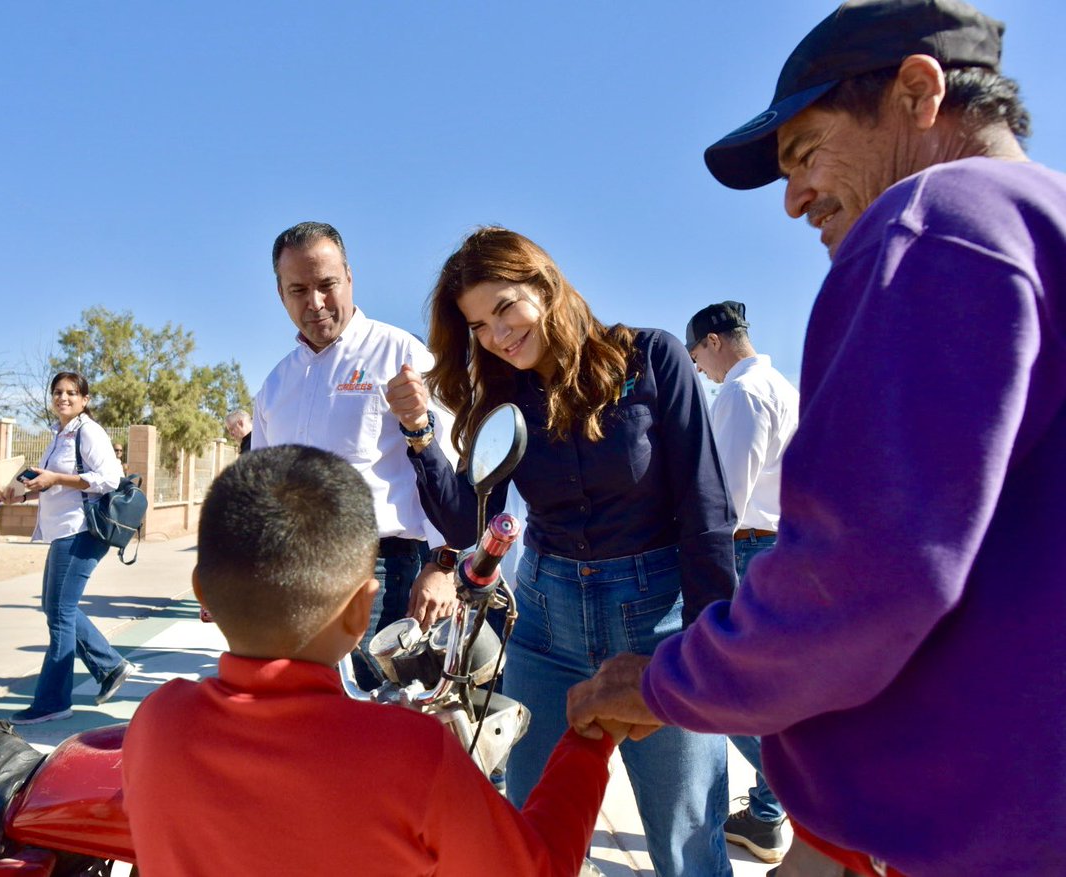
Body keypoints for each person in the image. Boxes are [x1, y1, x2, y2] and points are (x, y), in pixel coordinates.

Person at [567, 1, 1066, 875]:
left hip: (951, 834)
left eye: (805, 154)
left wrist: (660, 678)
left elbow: (858, 579)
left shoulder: (934, 223)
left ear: (918, 91)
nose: (794, 199)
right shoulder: (1043, 219)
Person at [385, 227, 738, 877]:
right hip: (546, 629)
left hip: (658, 626)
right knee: (529, 839)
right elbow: (469, 516)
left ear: (544, 286)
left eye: (503, 309)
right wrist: (419, 434)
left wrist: (706, 650)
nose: (495, 334)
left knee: (688, 844)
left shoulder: (652, 358)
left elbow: (706, 509)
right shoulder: (504, 401)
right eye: (478, 325)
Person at [121, 444, 623, 877]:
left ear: (201, 592)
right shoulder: (414, 754)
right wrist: (589, 741)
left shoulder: (156, 722)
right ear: (363, 607)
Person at [252, 221, 459, 687]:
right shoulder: (275, 385)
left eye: (326, 284)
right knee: (313, 712)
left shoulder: (401, 354)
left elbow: (450, 465)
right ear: (281, 294)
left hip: (386, 570)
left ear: (349, 276)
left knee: (381, 716)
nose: (316, 303)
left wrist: (443, 565)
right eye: (298, 289)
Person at [685, 300, 799, 864]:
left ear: (712, 341)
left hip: (749, 549)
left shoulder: (740, 392)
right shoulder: (784, 386)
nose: (699, 372)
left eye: (696, 358)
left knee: (722, 691)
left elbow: (722, 496)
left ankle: (799, 787)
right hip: (782, 548)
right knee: (768, 689)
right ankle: (767, 814)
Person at [0, 371, 133, 724]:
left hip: (82, 530)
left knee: (59, 612)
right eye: (58, 392)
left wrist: (56, 478)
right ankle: (110, 665)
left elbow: (109, 479)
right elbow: (52, 483)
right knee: (57, 607)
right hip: (63, 531)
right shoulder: (59, 435)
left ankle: (54, 701)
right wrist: (20, 494)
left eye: (72, 393)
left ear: (85, 399)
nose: (63, 398)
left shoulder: (89, 431)